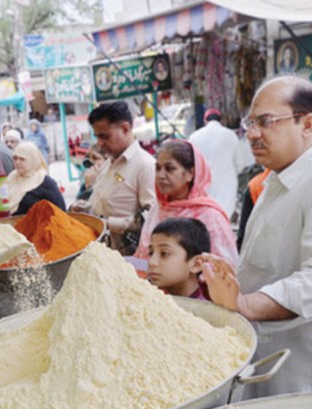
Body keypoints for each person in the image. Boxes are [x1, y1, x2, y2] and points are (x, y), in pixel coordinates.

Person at [202, 76, 312, 399]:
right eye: (250, 123)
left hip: (309, 373)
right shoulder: (276, 182)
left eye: (266, 122)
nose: (253, 134)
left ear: (307, 124)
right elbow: (272, 265)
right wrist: (229, 277)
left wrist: (244, 303)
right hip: (271, 361)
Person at [134, 140, 238, 265]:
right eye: (158, 168)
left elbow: (224, 267)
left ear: (190, 173)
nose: (161, 175)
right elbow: (143, 254)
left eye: (169, 169)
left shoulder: (210, 217)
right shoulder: (158, 209)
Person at [84, 101, 157, 255]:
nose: (99, 143)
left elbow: (151, 217)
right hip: (103, 251)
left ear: (125, 128)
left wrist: (108, 224)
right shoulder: (108, 163)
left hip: (129, 257)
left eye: (104, 136)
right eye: (97, 137)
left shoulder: (145, 166)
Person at [188, 108, 243, 217]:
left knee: (207, 217)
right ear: (221, 120)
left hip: (204, 185)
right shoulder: (231, 135)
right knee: (224, 216)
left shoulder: (194, 137)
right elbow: (240, 164)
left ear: (205, 120)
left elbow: (190, 164)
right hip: (227, 184)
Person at [147, 217, 211, 300]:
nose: (151, 262)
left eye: (164, 253)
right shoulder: (151, 295)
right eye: (151, 253)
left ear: (196, 264)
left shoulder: (209, 305)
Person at [6, 141, 65, 215]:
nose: (17, 162)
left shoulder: (44, 182)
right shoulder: (12, 178)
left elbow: (61, 211)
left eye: (22, 159)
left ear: (32, 160)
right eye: (15, 158)